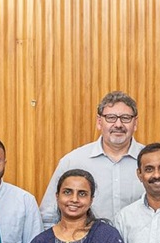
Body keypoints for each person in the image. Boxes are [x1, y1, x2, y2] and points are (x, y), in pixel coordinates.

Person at [40, 91, 147, 223]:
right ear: (99, 122)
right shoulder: (73, 162)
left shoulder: (153, 164)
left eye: (125, 118)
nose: (118, 125)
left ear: (135, 123)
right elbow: (48, 218)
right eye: (111, 118)